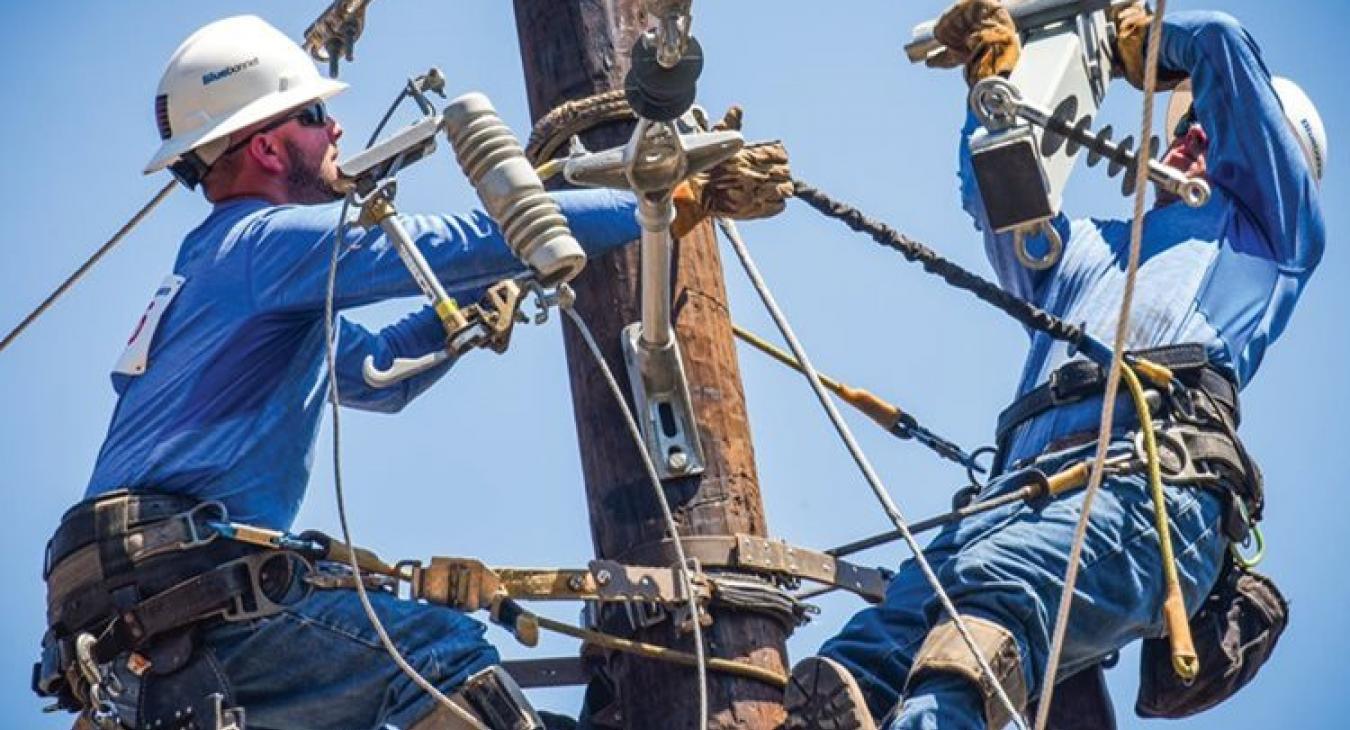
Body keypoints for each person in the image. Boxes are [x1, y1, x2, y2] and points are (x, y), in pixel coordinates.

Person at [34, 15, 791, 730]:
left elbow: (374, 372)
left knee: (399, 685)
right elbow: (449, 242)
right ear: (265, 147)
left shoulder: (224, 273)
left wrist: (472, 304)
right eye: (312, 118)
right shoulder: (261, 243)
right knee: (435, 658)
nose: (335, 131)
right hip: (182, 585)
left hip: (136, 607)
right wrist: (668, 201)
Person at [783, 2, 1325, 729]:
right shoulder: (1094, 254)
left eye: (1213, 128)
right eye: (1186, 124)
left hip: (1150, 490)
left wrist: (1151, 46)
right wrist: (996, 94)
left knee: (982, 626)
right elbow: (1006, 205)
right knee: (865, 653)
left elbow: (1224, 47)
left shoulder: (1271, 234)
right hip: (1013, 498)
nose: (1193, 136)